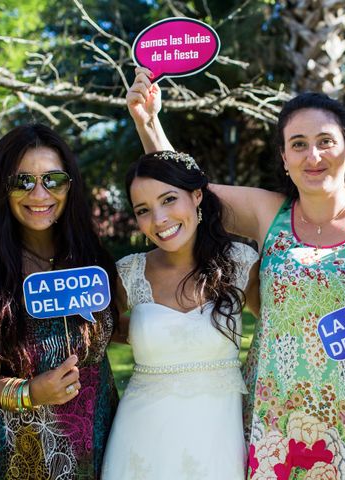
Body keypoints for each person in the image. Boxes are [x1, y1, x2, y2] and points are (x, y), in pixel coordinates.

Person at [126, 68, 345, 479]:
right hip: (276, 417)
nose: (313, 155)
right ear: (284, 157)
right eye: (299, 144)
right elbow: (188, 187)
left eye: (326, 141)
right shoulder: (268, 212)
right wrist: (148, 122)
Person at [0, 124, 121, 479]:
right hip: (4, 456)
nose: (39, 194)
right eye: (22, 181)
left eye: (53, 180)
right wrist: (26, 392)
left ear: (70, 186)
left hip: (91, 450)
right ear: (1, 189)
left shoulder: (92, 260)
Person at [100, 151, 259, 479]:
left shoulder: (242, 264)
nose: (159, 219)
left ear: (197, 196)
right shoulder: (129, 272)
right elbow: (102, 329)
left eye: (169, 199)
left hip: (217, 444)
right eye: (143, 210)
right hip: (140, 441)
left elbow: (275, 327)